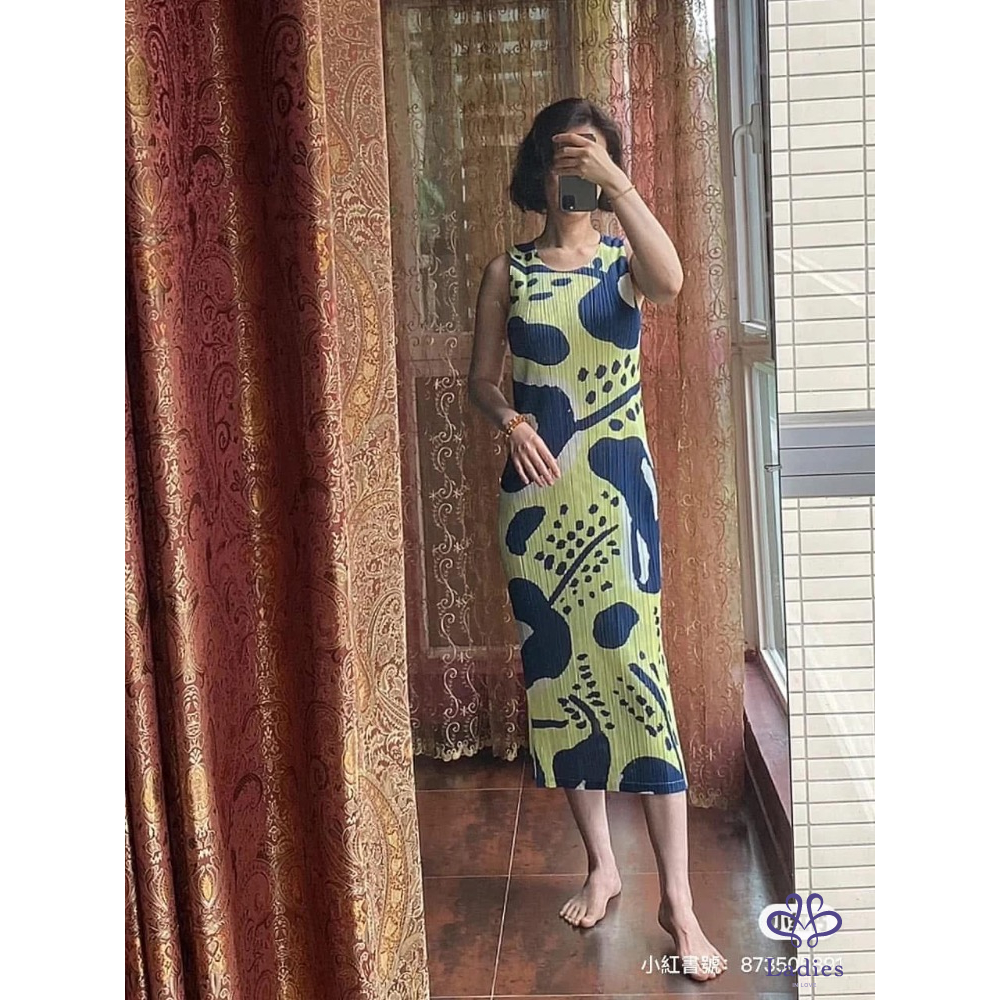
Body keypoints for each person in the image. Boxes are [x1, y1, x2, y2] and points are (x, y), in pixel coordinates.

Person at [467, 98, 726, 983]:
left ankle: (678, 901)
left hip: (617, 496)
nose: (571, 175)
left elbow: (673, 282)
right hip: (535, 502)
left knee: (638, 680)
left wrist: (618, 185)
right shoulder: (507, 271)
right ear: (536, 169)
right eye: (561, 158)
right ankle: (602, 865)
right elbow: (480, 381)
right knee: (558, 677)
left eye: (590, 158)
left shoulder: (624, 263)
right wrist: (508, 420)